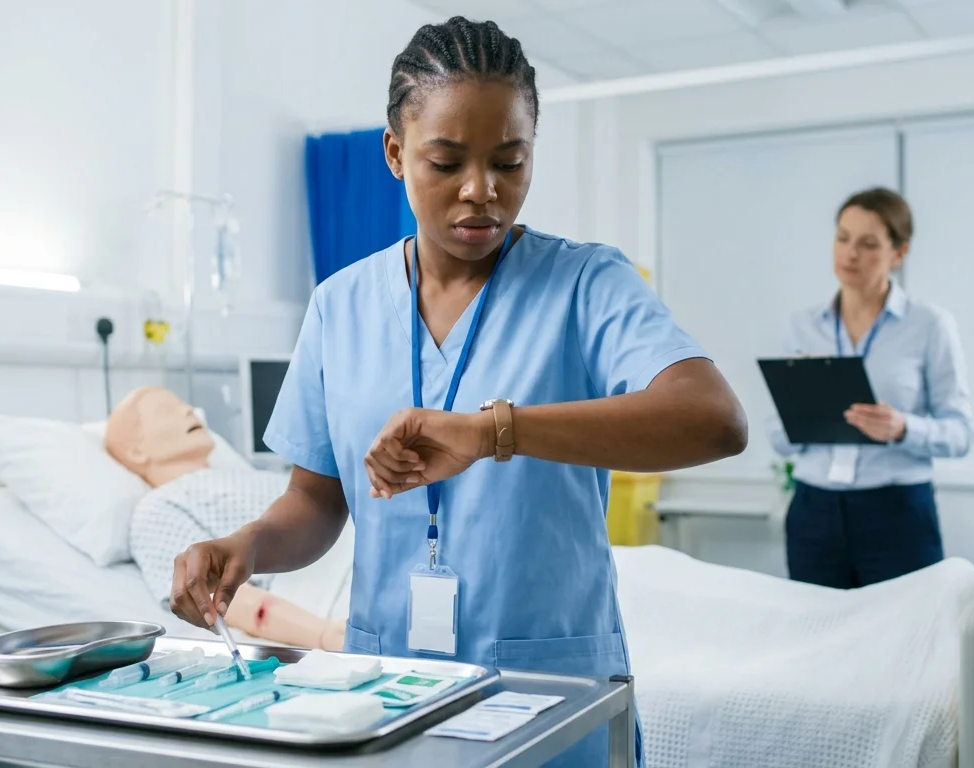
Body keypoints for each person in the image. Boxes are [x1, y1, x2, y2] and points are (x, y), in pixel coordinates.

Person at [169, 17, 747, 766]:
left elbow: (714, 421)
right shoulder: (339, 307)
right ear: (395, 153)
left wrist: (492, 431)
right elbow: (316, 502)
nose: (483, 192)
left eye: (510, 161)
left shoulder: (584, 285)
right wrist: (246, 545)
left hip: (549, 687)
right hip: (388, 689)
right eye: (446, 163)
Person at [767, 188, 974, 590]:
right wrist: (802, 418)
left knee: (906, 642)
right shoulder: (802, 326)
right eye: (842, 238)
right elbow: (777, 434)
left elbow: (961, 432)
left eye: (868, 244)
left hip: (897, 513)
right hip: (815, 511)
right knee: (817, 636)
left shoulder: (930, 325)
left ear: (899, 253)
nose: (850, 254)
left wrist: (902, 428)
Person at [105, 385, 346, 651]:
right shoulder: (157, 508)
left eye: (183, 404)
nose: (188, 410)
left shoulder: (245, 475)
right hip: (324, 572)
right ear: (136, 451)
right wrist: (326, 635)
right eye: (166, 411)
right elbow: (214, 593)